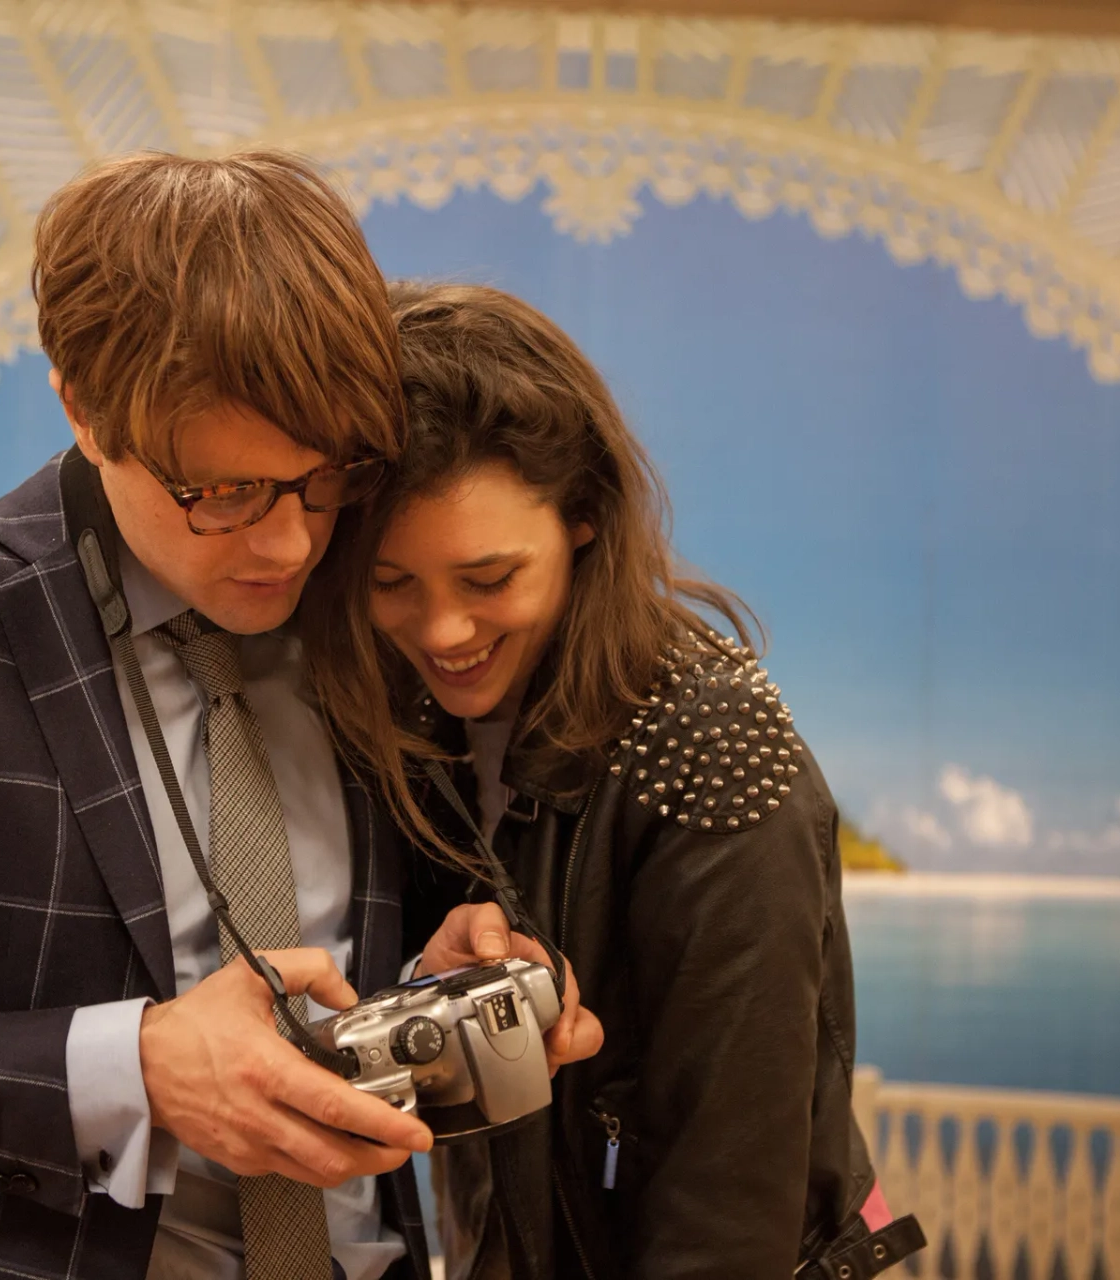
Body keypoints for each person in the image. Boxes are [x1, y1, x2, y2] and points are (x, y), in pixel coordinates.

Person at [0, 153, 592, 1280]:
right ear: (83, 406)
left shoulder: (372, 597)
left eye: (325, 476)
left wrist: (435, 974)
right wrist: (132, 1064)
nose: (289, 544)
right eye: (224, 491)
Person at [304, 284, 913, 1280]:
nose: (442, 631)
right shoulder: (412, 717)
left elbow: (729, 1196)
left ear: (584, 515)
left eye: (490, 579)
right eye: (390, 582)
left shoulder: (714, 743)